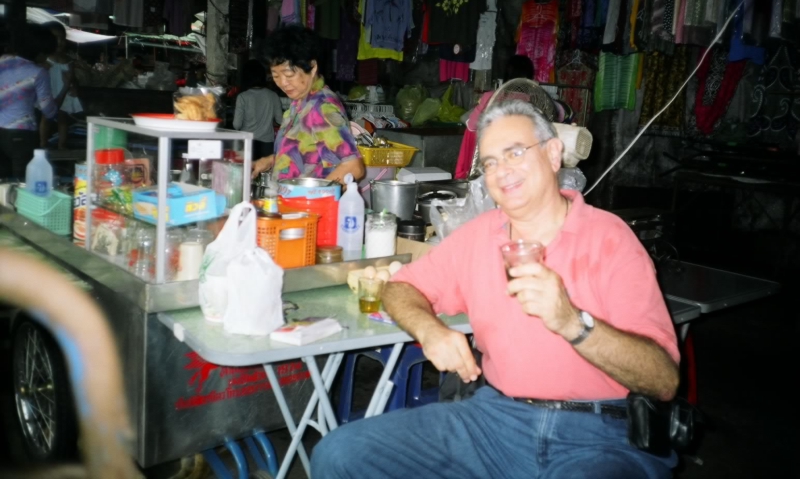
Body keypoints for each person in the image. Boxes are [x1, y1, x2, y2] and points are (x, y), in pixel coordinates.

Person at [311, 100, 680, 478]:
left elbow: (662, 380)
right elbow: (401, 287)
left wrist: (574, 323)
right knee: (339, 454)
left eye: (515, 153)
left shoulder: (610, 239)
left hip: (598, 432)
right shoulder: (478, 236)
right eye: (489, 163)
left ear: (553, 154)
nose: (502, 172)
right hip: (493, 421)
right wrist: (430, 330)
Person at [250, 25, 365, 183]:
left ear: (312, 67)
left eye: (289, 74)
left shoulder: (322, 106)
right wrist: (270, 160)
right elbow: (306, 152)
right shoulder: (300, 102)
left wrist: (313, 198)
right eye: (275, 75)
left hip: (306, 205)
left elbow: (353, 167)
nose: (283, 83)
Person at [455, 55, 573, 179]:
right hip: (524, 160)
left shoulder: (490, 96)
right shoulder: (537, 100)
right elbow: (557, 119)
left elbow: (472, 125)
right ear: (529, 77)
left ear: (506, 74)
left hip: (492, 158)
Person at [0, 24, 59, 179]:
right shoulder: (39, 72)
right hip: (22, 134)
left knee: (2, 183)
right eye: (46, 54)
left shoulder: (3, 61)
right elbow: (47, 109)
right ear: (40, 53)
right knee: (23, 183)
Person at [41, 22, 82, 150]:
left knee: (63, 119)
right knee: (46, 118)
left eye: (62, 38)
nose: (59, 42)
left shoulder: (68, 60)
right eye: (55, 38)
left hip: (64, 94)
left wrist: (73, 87)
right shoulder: (45, 58)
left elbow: (72, 78)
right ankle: (43, 144)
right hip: (50, 92)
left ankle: (61, 146)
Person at [233, 60, 283, 160]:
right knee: (265, 173)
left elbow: (236, 125)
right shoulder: (273, 95)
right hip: (267, 144)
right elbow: (280, 120)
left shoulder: (243, 97)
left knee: (247, 173)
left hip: (247, 143)